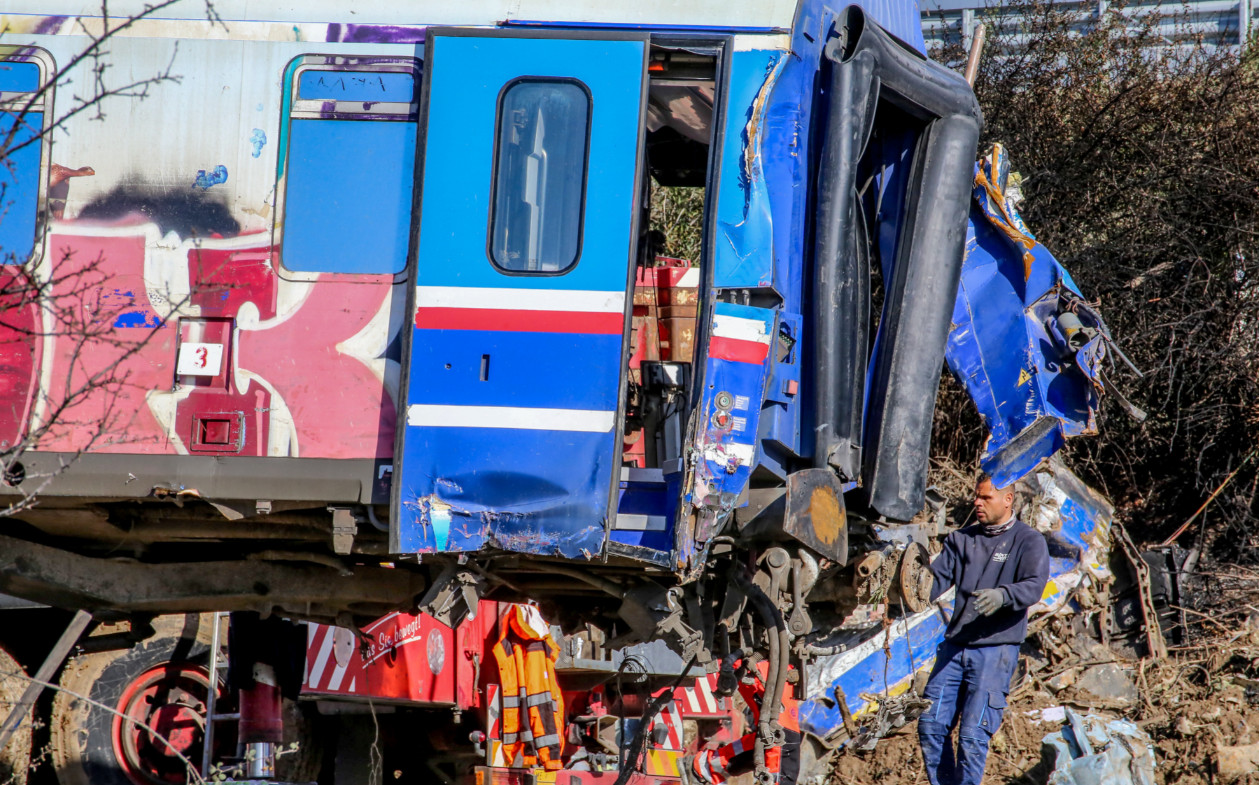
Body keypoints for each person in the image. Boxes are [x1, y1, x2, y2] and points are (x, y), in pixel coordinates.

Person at [917, 472, 1049, 785]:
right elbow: (931, 584)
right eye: (976, 496)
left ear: (1008, 499)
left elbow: (1034, 586)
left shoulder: (1028, 541)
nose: (977, 502)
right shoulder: (962, 539)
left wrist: (1004, 595)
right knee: (931, 727)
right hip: (954, 649)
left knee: (972, 738)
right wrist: (904, 587)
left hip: (995, 650)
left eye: (985, 497)